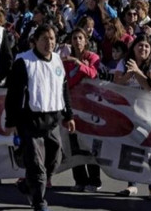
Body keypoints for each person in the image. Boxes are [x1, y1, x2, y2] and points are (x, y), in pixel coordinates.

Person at [5, 24, 75, 211]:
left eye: (52, 39)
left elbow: (63, 89)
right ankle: (38, 201)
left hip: (52, 120)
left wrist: (68, 115)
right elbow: (13, 95)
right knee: (36, 165)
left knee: (54, 159)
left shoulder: (57, 61)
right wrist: (11, 122)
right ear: (35, 41)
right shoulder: (24, 62)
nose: (49, 43)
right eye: (44, 39)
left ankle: (28, 184)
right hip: (29, 121)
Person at [114, 34, 151, 200]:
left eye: (146, 46)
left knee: (150, 151)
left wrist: (137, 71)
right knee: (130, 149)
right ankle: (132, 185)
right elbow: (117, 84)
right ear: (134, 47)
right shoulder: (124, 62)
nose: (143, 49)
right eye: (140, 45)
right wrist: (130, 73)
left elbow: (150, 86)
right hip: (130, 113)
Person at [61, 28, 102, 193]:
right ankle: (80, 180)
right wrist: (77, 69)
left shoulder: (93, 57)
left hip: (90, 107)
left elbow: (93, 74)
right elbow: (67, 83)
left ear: (86, 40)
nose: (77, 41)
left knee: (89, 145)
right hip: (72, 106)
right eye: (74, 38)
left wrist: (79, 65)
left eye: (80, 38)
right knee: (73, 144)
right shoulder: (66, 60)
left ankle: (94, 180)